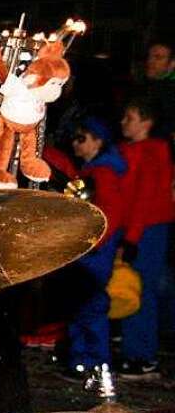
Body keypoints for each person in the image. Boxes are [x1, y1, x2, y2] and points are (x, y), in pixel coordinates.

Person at [63, 116, 127, 381]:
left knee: (91, 304)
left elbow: (111, 214)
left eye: (83, 139)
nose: (76, 145)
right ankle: (82, 360)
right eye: (75, 139)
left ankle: (97, 362)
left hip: (96, 250)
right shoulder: (91, 170)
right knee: (81, 303)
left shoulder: (103, 172)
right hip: (88, 247)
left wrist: (93, 244)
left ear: (98, 142)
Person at [116, 96, 174, 378]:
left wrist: (131, 238)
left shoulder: (150, 152)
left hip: (147, 230)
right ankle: (134, 348)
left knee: (140, 290)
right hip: (138, 229)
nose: (123, 123)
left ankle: (142, 355)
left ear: (146, 123)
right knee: (134, 287)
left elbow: (143, 200)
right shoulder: (132, 149)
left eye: (130, 118)